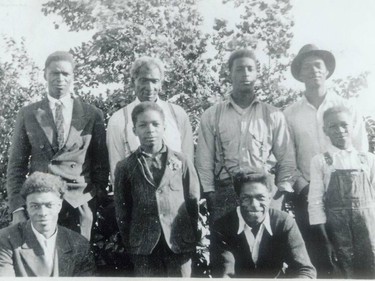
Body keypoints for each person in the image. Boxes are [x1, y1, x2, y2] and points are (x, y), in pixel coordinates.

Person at [284, 44, 368, 276]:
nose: (313, 70)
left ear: (327, 71)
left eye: (318, 65)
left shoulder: (347, 108)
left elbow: (362, 152)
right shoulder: (290, 114)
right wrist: (304, 190)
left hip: (348, 196)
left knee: (356, 260)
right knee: (321, 260)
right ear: (300, 74)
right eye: (307, 66)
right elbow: (287, 159)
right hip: (308, 196)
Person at [6, 51, 109, 240]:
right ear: (45, 74)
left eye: (65, 74)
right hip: (41, 203)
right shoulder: (28, 114)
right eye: (54, 73)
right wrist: (18, 208)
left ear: (73, 77)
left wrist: (93, 200)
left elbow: (101, 165)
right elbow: (16, 167)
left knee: (76, 264)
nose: (60, 79)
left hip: (79, 202)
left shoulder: (92, 114)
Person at [196, 49, 296, 223]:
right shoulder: (212, 115)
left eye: (250, 69)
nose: (245, 74)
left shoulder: (273, 115)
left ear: (257, 74)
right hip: (225, 191)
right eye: (240, 69)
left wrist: (280, 192)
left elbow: (287, 159)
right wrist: (210, 194)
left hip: (264, 190)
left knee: (264, 248)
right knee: (227, 247)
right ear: (230, 74)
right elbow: (204, 161)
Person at [114, 102, 200, 277]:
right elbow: (123, 211)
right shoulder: (125, 167)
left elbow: (193, 202)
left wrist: (188, 237)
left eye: (155, 124)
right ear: (134, 130)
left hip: (179, 243)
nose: (150, 129)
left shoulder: (181, 161)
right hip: (144, 248)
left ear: (164, 127)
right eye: (143, 125)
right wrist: (134, 243)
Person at [308, 106, 375, 279]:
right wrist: (325, 240)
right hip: (337, 231)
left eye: (344, 125)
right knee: (345, 272)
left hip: (369, 229)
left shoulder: (367, 159)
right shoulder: (321, 161)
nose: (340, 130)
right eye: (333, 126)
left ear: (352, 126)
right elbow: (315, 202)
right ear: (325, 130)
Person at [210, 171, 316, 278]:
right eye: (246, 198)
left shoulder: (283, 222)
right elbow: (224, 273)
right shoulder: (222, 226)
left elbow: (305, 269)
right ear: (238, 199)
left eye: (261, 198)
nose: (254, 205)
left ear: (270, 198)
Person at [107, 56, 194, 183]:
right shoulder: (118, 119)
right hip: (136, 195)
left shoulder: (177, 114)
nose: (149, 87)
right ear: (133, 81)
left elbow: (188, 162)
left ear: (161, 84)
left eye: (154, 81)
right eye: (143, 80)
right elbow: (116, 170)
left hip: (175, 195)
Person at [0, 172, 95, 277]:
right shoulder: (6, 240)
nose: (43, 213)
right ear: (26, 206)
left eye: (49, 205)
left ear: (59, 205)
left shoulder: (79, 244)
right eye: (35, 206)